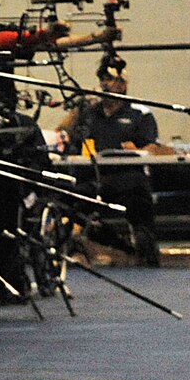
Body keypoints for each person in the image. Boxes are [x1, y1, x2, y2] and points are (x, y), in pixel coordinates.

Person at [62, 61, 163, 265]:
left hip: (127, 178)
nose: (105, 84)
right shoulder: (88, 113)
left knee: (138, 194)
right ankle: (74, 245)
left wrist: (138, 150)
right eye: (102, 80)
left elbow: (153, 148)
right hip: (92, 177)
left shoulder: (139, 113)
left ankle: (144, 245)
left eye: (110, 79)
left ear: (123, 84)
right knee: (67, 193)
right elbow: (63, 136)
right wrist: (76, 110)